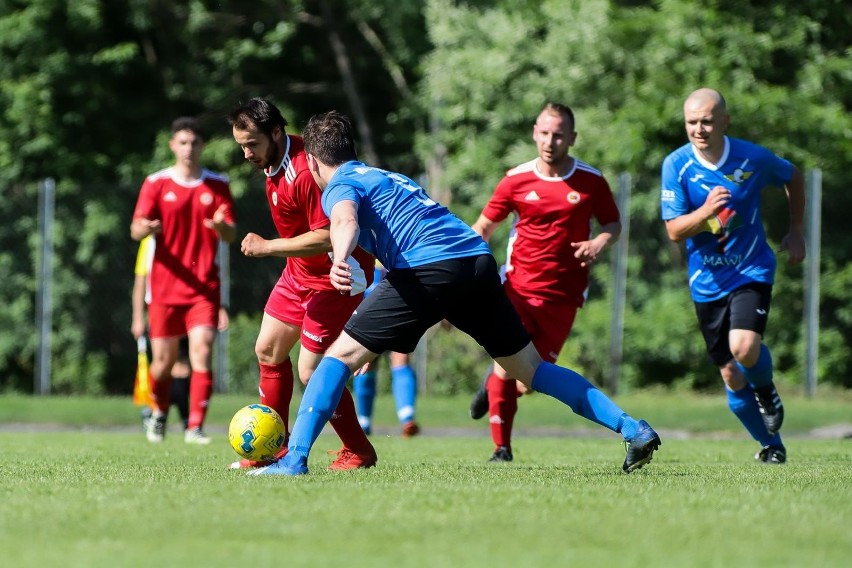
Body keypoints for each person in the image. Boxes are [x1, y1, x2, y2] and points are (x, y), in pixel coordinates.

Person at [249, 110, 661, 477]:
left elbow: (343, 221)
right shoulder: (389, 176)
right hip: (476, 260)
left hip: (427, 266)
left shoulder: (337, 184)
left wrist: (340, 259)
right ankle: (633, 428)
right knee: (530, 369)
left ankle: (293, 460)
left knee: (334, 358)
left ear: (315, 161)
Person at [465, 103, 622, 462]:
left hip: (564, 296)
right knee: (507, 365)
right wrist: (468, 269)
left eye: (559, 134)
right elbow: (483, 229)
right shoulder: (515, 179)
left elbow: (613, 224)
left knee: (530, 380)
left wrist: (599, 242)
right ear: (535, 132)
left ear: (572, 138)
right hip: (517, 288)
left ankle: (491, 389)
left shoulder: (591, 181)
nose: (550, 141)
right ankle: (501, 448)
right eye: (545, 132)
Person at [227, 97, 377, 470]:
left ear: (276, 132)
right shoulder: (272, 161)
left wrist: (267, 246)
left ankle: (358, 450)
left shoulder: (305, 170)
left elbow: (327, 236)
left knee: (311, 370)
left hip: (334, 278)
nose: (246, 154)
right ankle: (271, 450)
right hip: (299, 274)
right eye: (241, 145)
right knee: (267, 350)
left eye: (252, 145)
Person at [660, 88, 806, 465]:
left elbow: (793, 176)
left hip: (751, 268)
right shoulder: (676, 165)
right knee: (729, 372)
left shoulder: (752, 157)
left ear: (724, 121)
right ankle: (772, 445)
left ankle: (767, 388)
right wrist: (706, 211)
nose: (699, 129)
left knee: (744, 348)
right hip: (707, 280)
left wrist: (797, 231)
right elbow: (675, 230)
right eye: (692, 122)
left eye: (707, 121)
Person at [130, 117, 236, 444]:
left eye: (194, 143)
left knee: (201, 352)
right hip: (164, 288)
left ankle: (194, 427)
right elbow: (135, 229)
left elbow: (231, 234)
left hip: (204, 288)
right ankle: (159, 413)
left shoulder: (218, 185)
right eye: (183, 142)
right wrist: (146, 228)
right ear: (172, 145)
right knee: (161, 364)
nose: (189, 148)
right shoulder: (156, 183)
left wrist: (221, 226)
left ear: (202, 146)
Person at [131, 235, 231, 432]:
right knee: (165, 365)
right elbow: (141, 280)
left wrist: (217, 307)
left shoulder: (195, 231)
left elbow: (208, 270)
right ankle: (159, 412)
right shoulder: (151, 240)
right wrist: (137, 316)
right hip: (164, 306)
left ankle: (192, 424)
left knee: (191, 362)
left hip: (195, 307)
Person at [353, 263, 420, 438]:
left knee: (397, 357)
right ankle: (368, 421)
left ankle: (405, 420)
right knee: (372, 362)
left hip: (392, 284)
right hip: (375, 291)